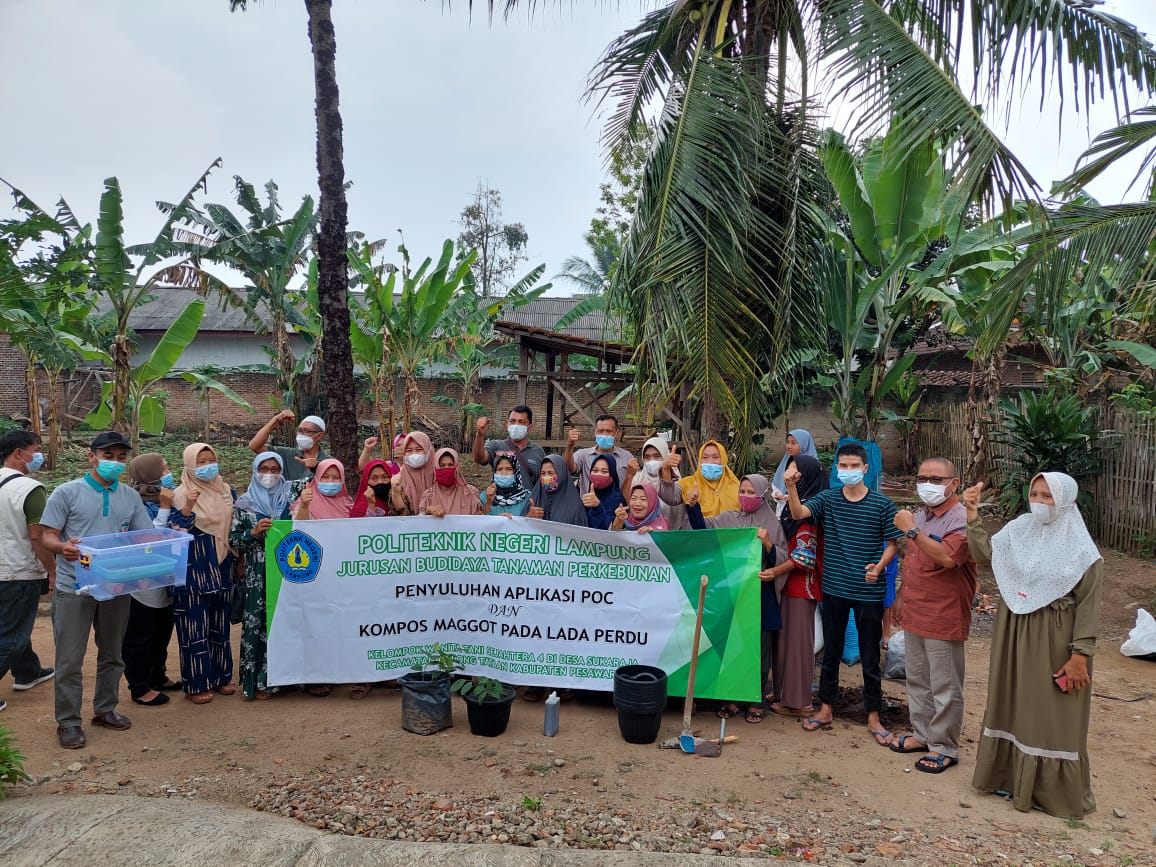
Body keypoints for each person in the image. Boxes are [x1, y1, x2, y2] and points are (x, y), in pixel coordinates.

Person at [964, 473, 1102, 818]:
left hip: (1054, 639)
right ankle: (1008, 778)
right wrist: (972, 515)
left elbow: (1089, 604)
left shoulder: (1081, 549)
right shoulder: (1020, 529)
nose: (1039, 502)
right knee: (1012, 701)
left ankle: (1051, 792)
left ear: (1066, 500)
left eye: (1048, 496)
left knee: (1049, 713)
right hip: (1013, 632)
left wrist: (1080, 655)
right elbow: (984, 555)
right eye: (1035, 494)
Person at [39, 431, 154, 749]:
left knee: (113, 654)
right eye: (108, 456)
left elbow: (144, 535)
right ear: (92, 457)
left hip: (116, 586)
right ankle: (69, 722)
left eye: (121, 457)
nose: (114, 463)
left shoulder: (130, 497)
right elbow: (47, 536)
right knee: (69, 659)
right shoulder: (67, 493)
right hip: (73, 588)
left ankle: (105, 709)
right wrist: (64, 548)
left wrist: (164, 538)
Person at [784, 441, 903, 744]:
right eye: (843, 466)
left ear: (865, 469)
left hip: (868, 591)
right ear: (837, 469)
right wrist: (791, 487)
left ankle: (874, 715)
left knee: (871, 655)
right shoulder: (828, 500)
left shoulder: (882, 505)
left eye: (854, 466)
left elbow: (892, 544)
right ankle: (825, 709)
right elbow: (798, 513)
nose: (848, 471)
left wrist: (879, 566)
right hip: (834, 587)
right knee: (832, 652)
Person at [886, 458, 978, 774]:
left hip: (944, 613)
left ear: (954, 483)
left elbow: (948, 558)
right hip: (916, 610)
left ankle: (944, 747)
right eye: (922, 477)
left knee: (945, 684)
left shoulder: (960, 518)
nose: (928, 484)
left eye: (936, 479)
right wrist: (899, 597)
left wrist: (910, 530)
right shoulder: (922, 516)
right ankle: (921, 734)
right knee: (918, 678)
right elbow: (914, 563)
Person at [686, 474, 788, 723]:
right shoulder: (729, 518)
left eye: (752, 492)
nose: (746, 496)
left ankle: (755, 699)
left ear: (763, 495)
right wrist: (693, 506)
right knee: (735, 646)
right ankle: (734, 696)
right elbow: (703, 530)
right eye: (743, 491)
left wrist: (767, 544)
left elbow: (784, 557)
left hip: (761, 591)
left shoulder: (772, 523)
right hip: (734, 594)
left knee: (760, 648)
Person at [231, 452, 306, 700]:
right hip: (257, 573)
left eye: (275, 469)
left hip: (287, 570)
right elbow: (234, 541)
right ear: (255, 470)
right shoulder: (244, 503)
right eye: (264, 468)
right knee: (259, 623)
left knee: (285, 621)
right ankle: (258, 682)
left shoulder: (291, 496)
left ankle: (285, 679)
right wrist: (252, 532)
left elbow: (322, 482)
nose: (270, 474)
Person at [169, 443, 237, 706]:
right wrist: (187, 507)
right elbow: (173, 532)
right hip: (193, 569)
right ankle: (196, 683)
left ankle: (221, 677)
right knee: (193, 628)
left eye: (211, 460)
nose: (208, 466)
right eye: (201, 462)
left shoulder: (226, 491)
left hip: (222, 566)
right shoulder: (180, 494)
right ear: (188, 466)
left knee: (220, 627)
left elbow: (233, 525)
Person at [0, 430, 55, 714]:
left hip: (3, 568)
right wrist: (52, 571)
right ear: (19, 453)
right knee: (11, 633)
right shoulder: (29, 489)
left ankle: (28, 672)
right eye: (37, 449)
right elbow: (37, 537)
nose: (39, 455)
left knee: (12, 624)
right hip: (17, 571)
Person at [122, 453, 180, 707]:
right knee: (140, 634)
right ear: (149, 474)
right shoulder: (135, 503)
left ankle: (158, 675)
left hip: (165, 575)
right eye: (164, 468)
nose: (169, 472)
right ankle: (139, 685)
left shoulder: (167, 495)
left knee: (161, 630)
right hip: (142, 580)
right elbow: (148, 537)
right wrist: (166, 508)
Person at [768, 454, 824, 718]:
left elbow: (804, 557)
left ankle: (799, 702)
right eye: (788, 469)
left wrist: (774, 571)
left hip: (800, 586)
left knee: (797, 644)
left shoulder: (809, 510)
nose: (790, 475)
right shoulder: (792, 508)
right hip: (788, 586)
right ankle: (783, 693)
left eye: (796, 472)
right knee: (785, 643)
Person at [659, 440, 740, 518]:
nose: (710, 462)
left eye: (715, 457)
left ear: (724, 460)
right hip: (697, 531)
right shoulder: (689, 483)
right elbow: (670, 497)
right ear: (699, 461)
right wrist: (665, 469)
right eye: (705, 457)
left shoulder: (737, 487)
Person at [472, 405, 546, 489]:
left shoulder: (538, 451)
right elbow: (479, 459)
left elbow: (543, 481)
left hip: (528, 501)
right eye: (512, 421)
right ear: (507, 424)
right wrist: (479, 434)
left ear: (530, 427)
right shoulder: (496, 445)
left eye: (521, 422)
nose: (516, 425)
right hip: (500, 501)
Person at [248, 410, 329, 481]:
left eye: (306, 431)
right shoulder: (286, 454)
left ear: (319, 436)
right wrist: (275, 420)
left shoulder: (328, 462)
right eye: (299, 430)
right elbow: (255, 446)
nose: (300, 434)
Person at [564, 415, 635, 495]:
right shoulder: (583, 455)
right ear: (595, 432)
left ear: (617, 434)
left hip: (617, 506)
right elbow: (569, 469)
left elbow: (633, 485)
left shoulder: (627, 457)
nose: (604, 435)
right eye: (601, 431)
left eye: (608, 431)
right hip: (588, 505)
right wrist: (569, 446)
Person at [624, 436, 685, 527]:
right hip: (643, 533)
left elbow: (673, 499)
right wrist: (628, 476)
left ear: (665, 456)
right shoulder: (637, 479)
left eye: (657, 456)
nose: (651, 461)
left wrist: (666, 470)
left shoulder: (675, 479)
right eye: (647, 457)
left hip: (672, 534)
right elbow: (626, 501)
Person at [419, 448, 482, 517]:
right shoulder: (428, 496)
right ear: (436, 467)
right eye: (442, 465)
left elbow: (478, 522)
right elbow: (420, 523)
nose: (446, 468)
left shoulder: (470, 493)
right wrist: (428, 511)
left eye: (450, 465)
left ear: (457, 467)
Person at [528, 455, 587, 528]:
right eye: (543, 473)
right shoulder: (534, 498)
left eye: (551, 473)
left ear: (561, 474)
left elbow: (581, 535)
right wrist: (528, 518)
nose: (546, 477)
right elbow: (520, 528)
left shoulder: (575, 506)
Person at [771, 429, 819, 504]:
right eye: (787, 442)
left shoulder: (812, 466)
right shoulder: (786, 461)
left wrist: (793, 497)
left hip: (805, 508)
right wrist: (777, 494)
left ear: (804, 444)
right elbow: (778, 484)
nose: (789, 446)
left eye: (793, 443)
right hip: (784, 509)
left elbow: (814, 491)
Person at [580, 454, 626, 530]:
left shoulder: (617, 499)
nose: (598, 474)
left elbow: (608, 530)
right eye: (595, 470)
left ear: (612, 475)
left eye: (604, 471)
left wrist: (597, 506)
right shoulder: (589, 495)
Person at [394, 432, 436, 510]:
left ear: (428, 450)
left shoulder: (439, 474)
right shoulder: (398, 479)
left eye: (419, 449)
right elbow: (398, 513)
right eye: (409, 450)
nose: (414, 454)